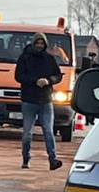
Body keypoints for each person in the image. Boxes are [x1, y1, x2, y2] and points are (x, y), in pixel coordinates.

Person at [15, 33, 63, 170]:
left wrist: (49, 80)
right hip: (29, 100)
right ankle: (26, 158)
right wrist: (34, 81)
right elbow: (18, 76)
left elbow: (58, 75)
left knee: (48, 131)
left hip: (46, 100)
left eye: (42, 44)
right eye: (37, 43)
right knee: (27, 133)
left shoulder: (49, 59)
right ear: (33, 43)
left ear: (45, 45)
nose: (39, 46)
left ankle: (53, 159)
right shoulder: (24, 58)